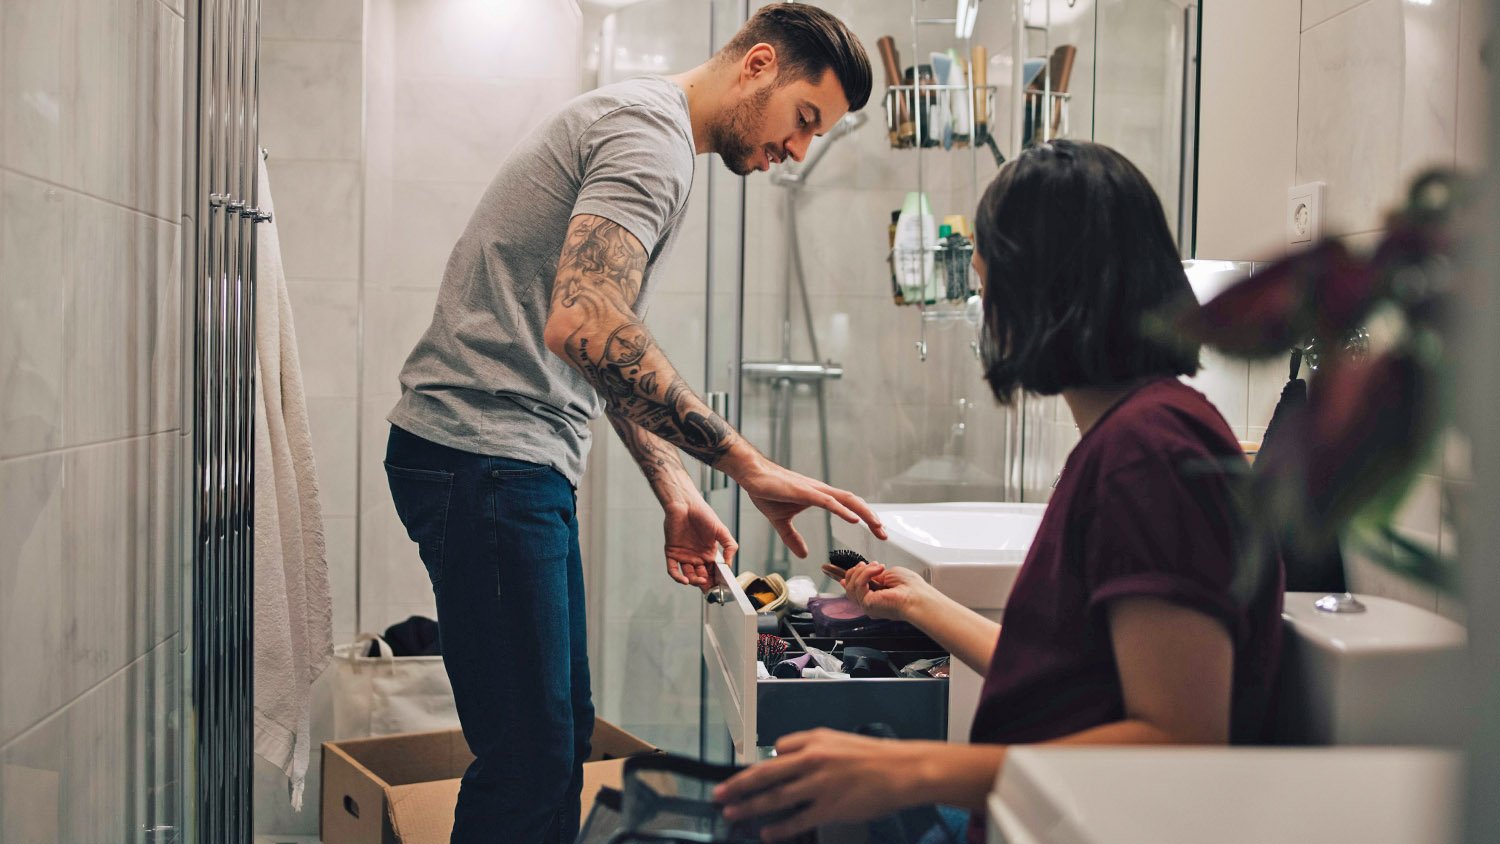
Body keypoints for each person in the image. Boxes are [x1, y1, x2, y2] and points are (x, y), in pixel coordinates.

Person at [382, 6, 884, 843]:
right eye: (804, 121)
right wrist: (747, 464)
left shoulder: (647, 134)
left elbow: (598, 344)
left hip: (502, 459)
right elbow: (585, 324)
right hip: (486, 457)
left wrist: (676, 484)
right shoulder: (650, 139)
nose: (797, 151)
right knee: (527, 763)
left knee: (555, 743)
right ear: (758, 64)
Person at [713, 140, 1286, 843]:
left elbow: (1180, 743)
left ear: (1044, 288)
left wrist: (909, 770)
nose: (985, 312)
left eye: (987, 285)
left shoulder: (1151, 455)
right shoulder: (1134, 435)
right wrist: (918, 603)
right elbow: (1065, 673)